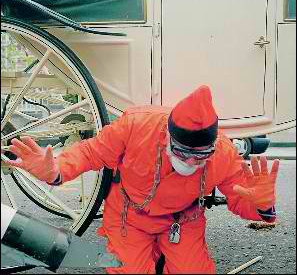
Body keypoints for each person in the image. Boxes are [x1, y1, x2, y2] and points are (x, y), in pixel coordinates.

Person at [5, 85, 279, 274]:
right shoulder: (137, 125)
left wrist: (262, 206)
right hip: (129, 218)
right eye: (183, 152)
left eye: (202, 156)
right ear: (167, 137)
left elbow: (241, 196)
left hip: (182, 222)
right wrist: (54, 170)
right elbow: (90, 152)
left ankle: (163, 255)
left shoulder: (223, 153)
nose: (191, 162)